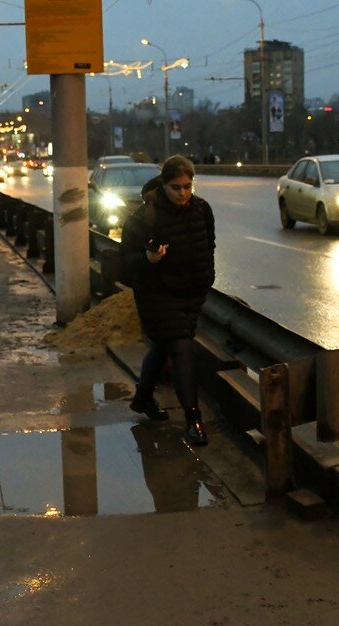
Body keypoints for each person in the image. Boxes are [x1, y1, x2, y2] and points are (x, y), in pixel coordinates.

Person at [120, 155, 216, 446]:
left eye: (188, 186)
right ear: (163, 185)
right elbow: (125, 263)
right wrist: (148, 259)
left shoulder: (202, 210)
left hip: (190, 294)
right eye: (176, 187)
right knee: (181, 347)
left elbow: (208, 244)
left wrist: (206, 279)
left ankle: (143, 399)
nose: (183, 193)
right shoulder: (145, 217)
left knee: (163, 346)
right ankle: (193, 420)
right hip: (156, 294)